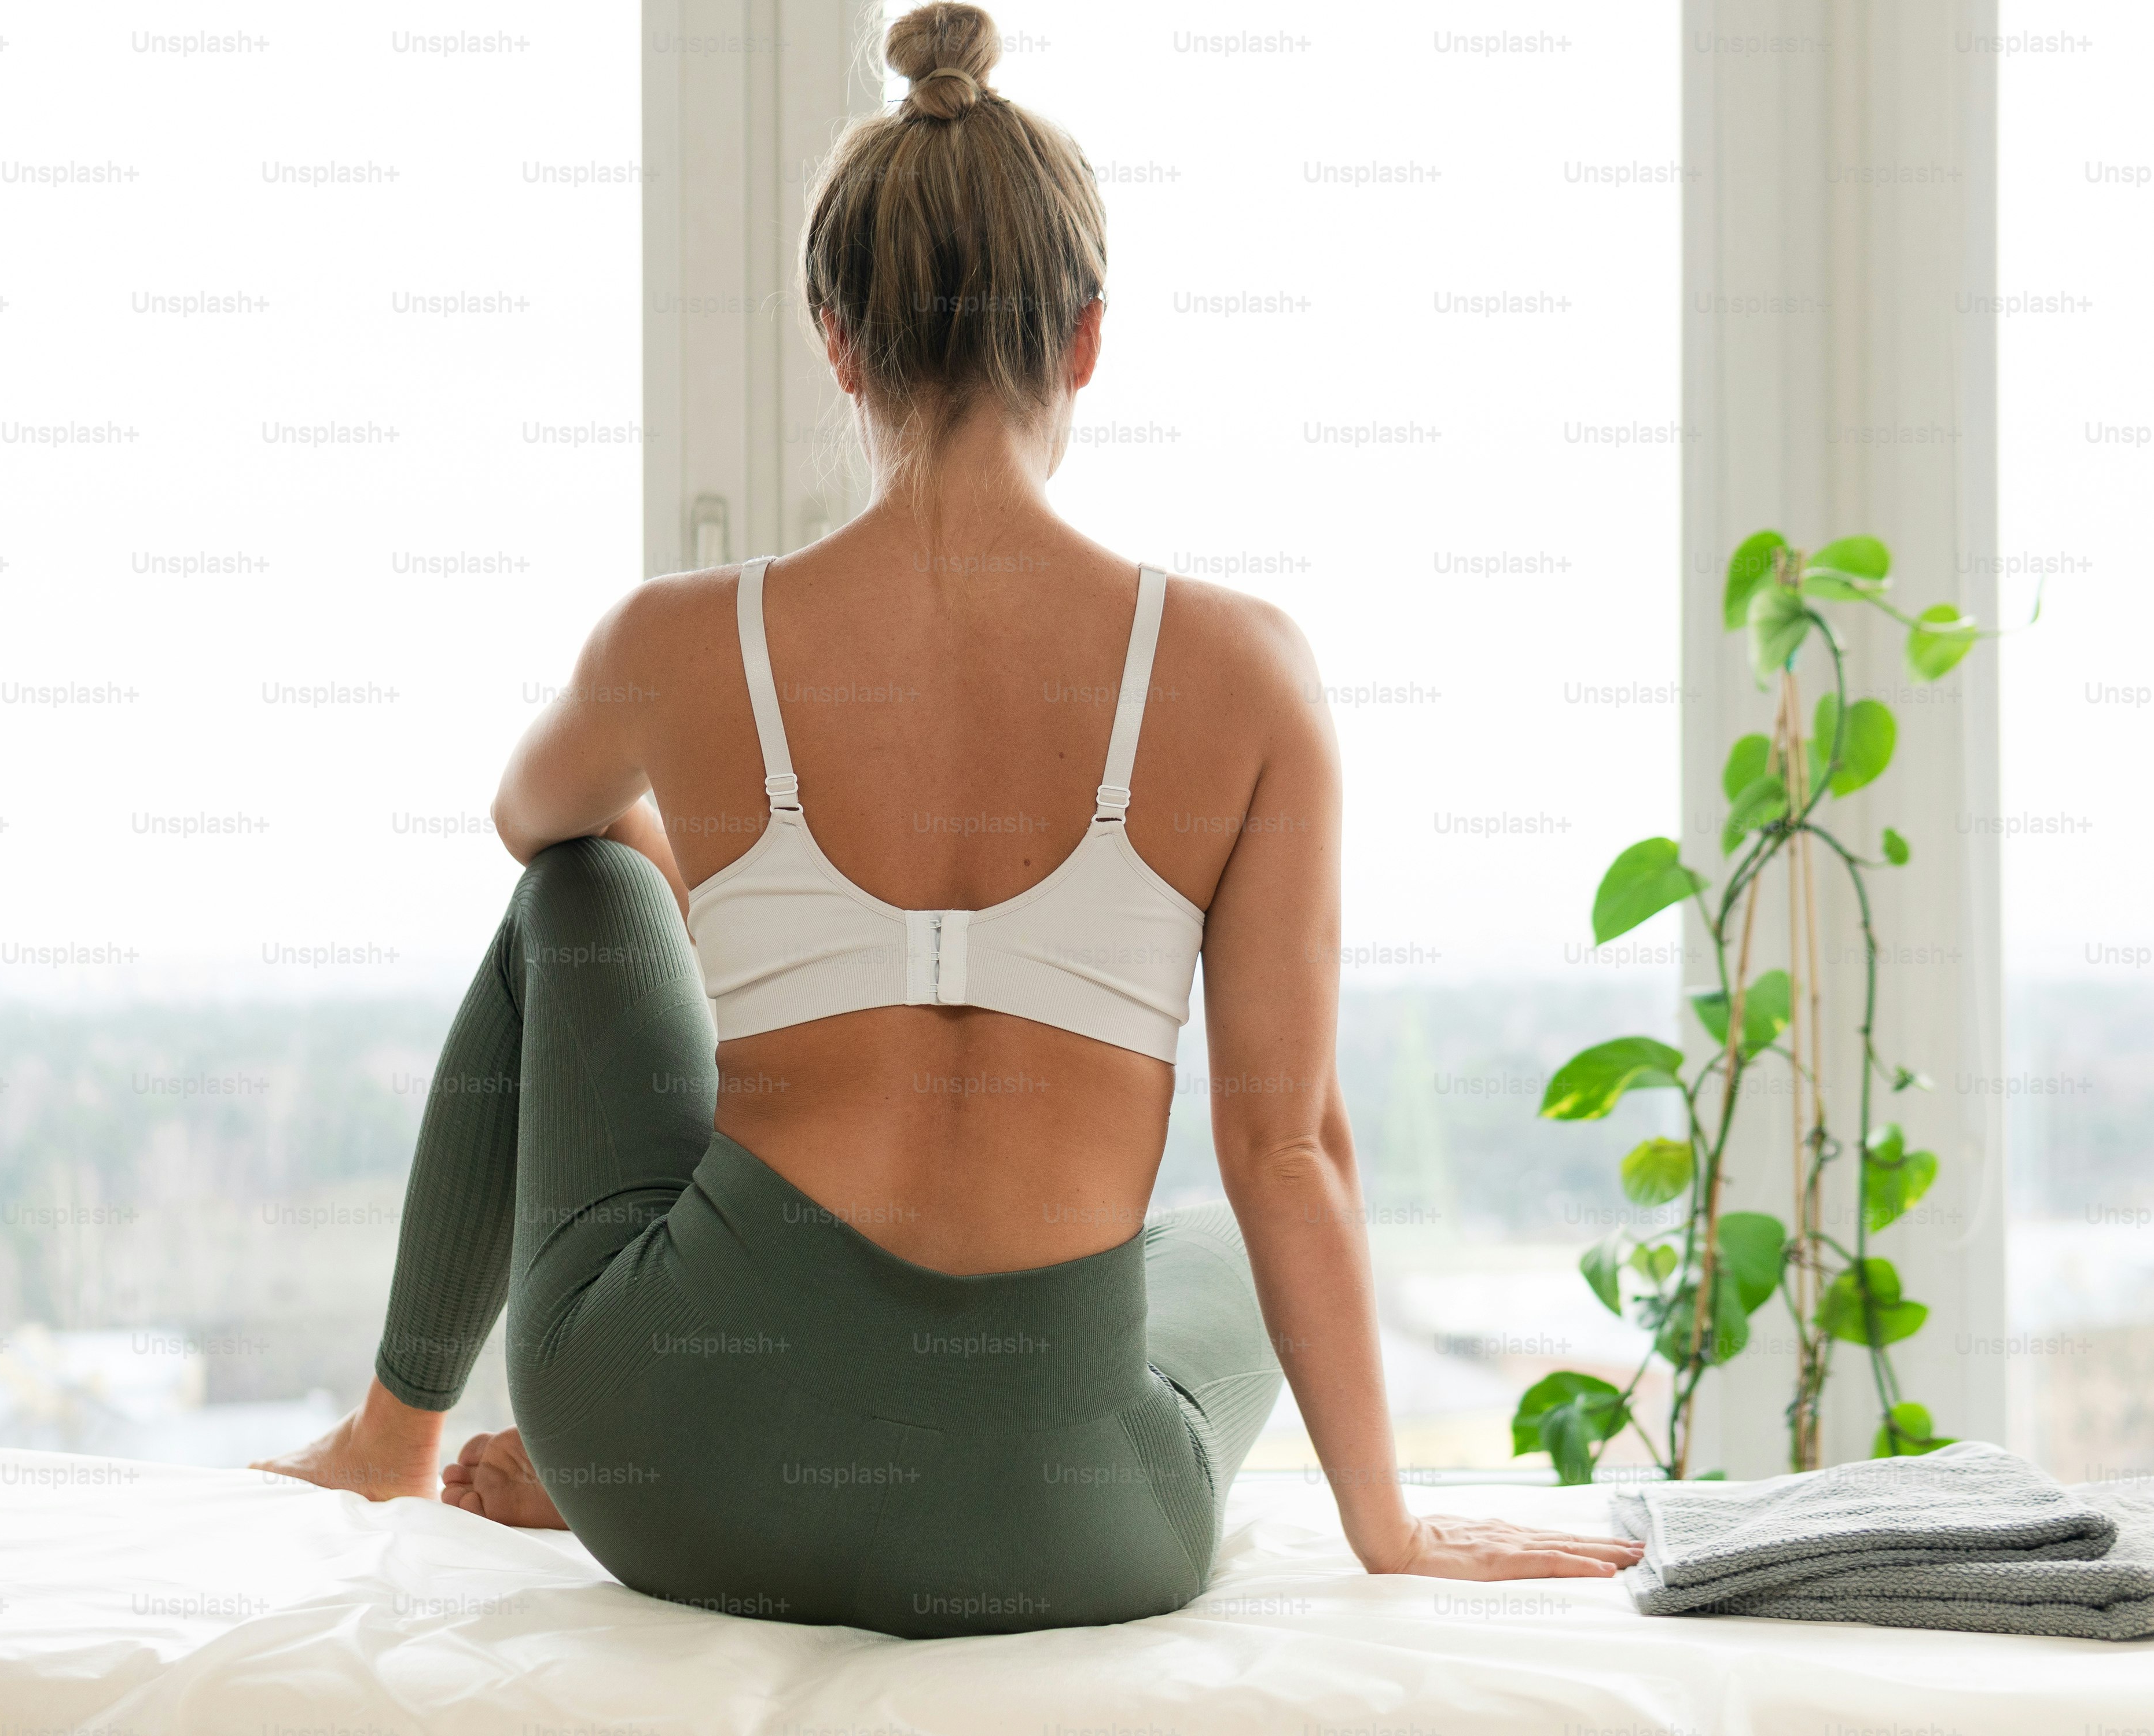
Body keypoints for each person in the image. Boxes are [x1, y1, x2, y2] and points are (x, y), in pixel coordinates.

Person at [258, 1, 1640, 1637]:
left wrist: (700, 873)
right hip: (1064, 1524)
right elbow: (1285, 1149)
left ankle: (388, 1437)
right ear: (1087, 337)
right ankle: (853, 1427)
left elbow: (529, 822)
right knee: (1235, 1237)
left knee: (575, 885)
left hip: (677, 1462)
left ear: (832, 341)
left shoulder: (676, 646)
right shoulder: (1241, 673)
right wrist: (1390, 1530)